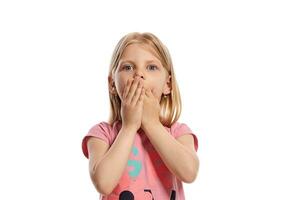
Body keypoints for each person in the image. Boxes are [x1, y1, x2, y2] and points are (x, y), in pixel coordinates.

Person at [81, 32, 199, 200]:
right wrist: (129, 127)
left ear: (167, 84)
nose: (139, 74)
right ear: (112, 84)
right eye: (128, 67)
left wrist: (152, 124)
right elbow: (104, 183)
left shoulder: (179, 133)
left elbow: (189, 173)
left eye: (151, 67)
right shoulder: (102, 134)